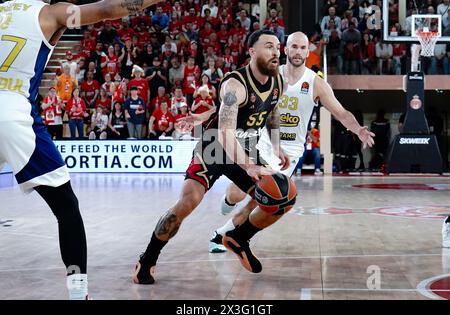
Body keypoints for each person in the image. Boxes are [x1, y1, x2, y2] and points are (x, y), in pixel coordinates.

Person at [0, 0, 161, 299]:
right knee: (66, 209)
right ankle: (78, 291)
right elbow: (104, 10)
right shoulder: (49, 13)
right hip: (12, 113)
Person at [133, 30, 289, 284]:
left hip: (246, 145)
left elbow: (269, 112)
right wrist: (249, 166)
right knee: (187, 203)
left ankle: (238, 237)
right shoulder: (234, 83)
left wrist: (277, 146)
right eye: (269, 46)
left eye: (277, 47)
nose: (276, 51)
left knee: (279, 198)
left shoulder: (278, 82)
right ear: (252, 52)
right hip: (215, 146)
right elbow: (226, 128)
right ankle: (148, 258)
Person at [208, 32, 375, 253]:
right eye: (293, 47)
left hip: (291, 153)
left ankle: (222, 235)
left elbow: (340, 112)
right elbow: (235, 103)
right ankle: (229, 200)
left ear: (308, 52)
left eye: (302, 48)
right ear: (285, 49)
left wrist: (358, 130)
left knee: (263, 199)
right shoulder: (269, 75)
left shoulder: (316, 83)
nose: (297, 51)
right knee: (237, 193)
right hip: (262, 141)